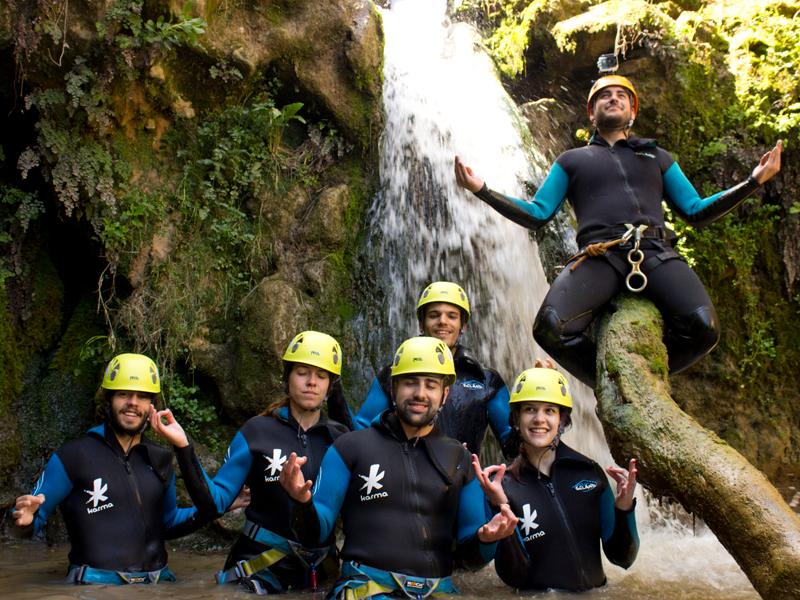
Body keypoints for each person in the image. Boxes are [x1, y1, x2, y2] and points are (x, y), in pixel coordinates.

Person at [454, 74, 783, 387]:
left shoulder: (655, 156)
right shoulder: (572, 160)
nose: (613, 99)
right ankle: (607, 382)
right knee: (551, 327)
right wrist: (482, 189)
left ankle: (650, 379)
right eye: (604, 96)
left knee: (704, 327)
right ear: (591, 112)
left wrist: (753, 181)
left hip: (656, 252)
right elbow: (538, 213)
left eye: (621, 96)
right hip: (601, 256)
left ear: (633, 112)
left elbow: (695, 210)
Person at [280, 336, 519, 599]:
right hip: (365, 590)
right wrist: (301, 502)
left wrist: (487, 539)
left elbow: (471, 558)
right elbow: (316, 534)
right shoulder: (349, 448)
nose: (420, 393)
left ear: (445, 394)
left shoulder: (460, 458)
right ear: (393, 388)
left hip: (438, 592)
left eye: (431, 385)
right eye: (410, 382)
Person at [11, 353, 217, 585]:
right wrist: (23, 520)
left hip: (158, 586)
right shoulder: (73, 456)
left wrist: (225, 504)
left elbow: (168, 523)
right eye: (123, 394)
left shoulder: (160, 458)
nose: (133, 403)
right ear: (108, 399)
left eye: (142, 396)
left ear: (152, 405)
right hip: (96, 587)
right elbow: (30, 520)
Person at [189, 330, 351, 594]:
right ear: (286, 377)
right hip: (259, 564)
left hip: (322, 568)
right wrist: (185, 448)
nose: (311, 382)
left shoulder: (342, 439)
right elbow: (215, 501)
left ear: (330, 387)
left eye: (321, 376)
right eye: (302, 373)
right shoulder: (256, 431)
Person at [473, 362, 639, 591]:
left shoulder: (589, 472)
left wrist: (624, 509)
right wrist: (501, 507)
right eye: (530, 409)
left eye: (549, 410)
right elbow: (515, 577)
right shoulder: (505, 487)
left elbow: (622, 558)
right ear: (516, 419)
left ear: (562, 420)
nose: (539, 419)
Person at [354, 281, 514, 458]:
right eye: (434, 315)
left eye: (452, 316)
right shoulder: (393, 374)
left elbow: (513, 445)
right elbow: (359, 432)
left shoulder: (486, 380)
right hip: (403, 478)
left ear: (463, 325)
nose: (442, 322)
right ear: (421, 324)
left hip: (463, 480)